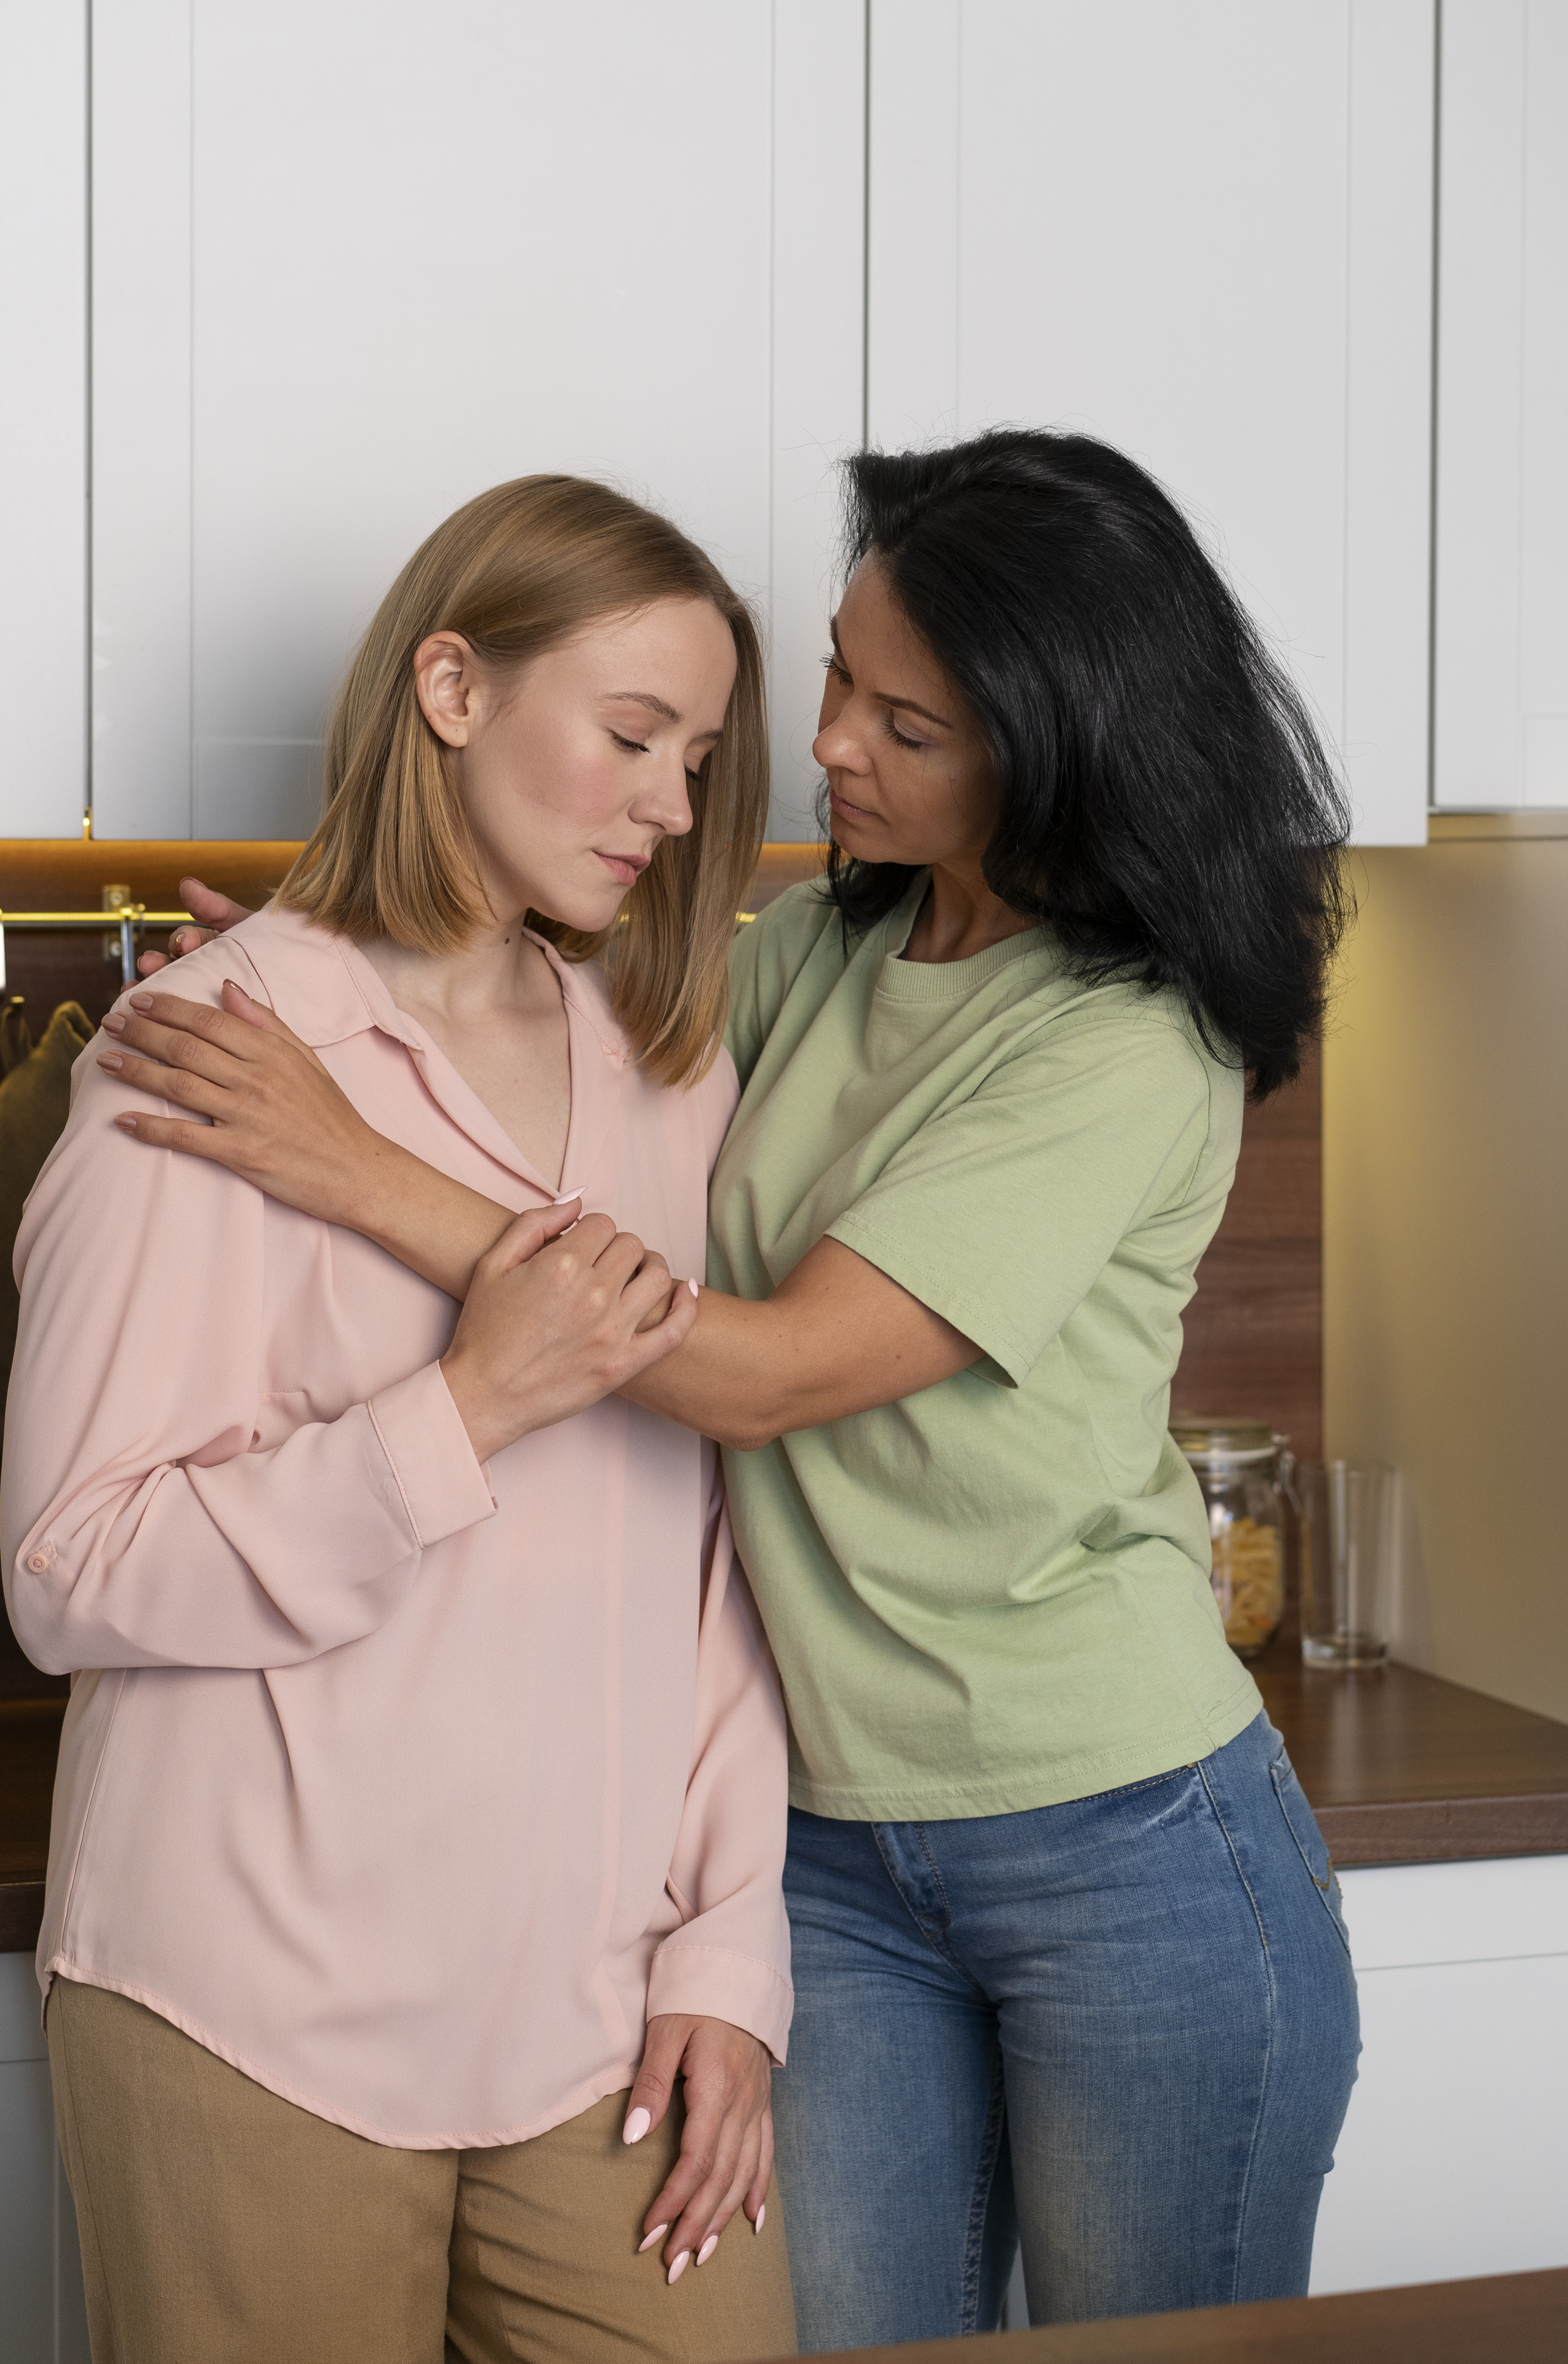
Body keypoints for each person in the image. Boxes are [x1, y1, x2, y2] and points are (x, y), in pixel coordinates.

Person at [105, 428, 1362, 2350]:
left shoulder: (1125, 1043)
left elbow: (763, 1374)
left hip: (1116, 1834)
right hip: (831, 1850)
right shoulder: (822, 956)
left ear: (1051, 748)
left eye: (902, 723)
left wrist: (346, 1150)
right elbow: (562, 1048)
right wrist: (338, 1001)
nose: (825, 747)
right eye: (843, 681)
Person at [0, 477, 802, 2364]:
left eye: (699, 757)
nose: (676, 809)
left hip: (600, 2017)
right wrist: (457, 1411)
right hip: (244, 2003)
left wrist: (729, 1956)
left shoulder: (673, 1075)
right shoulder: (201, 1061)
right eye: (631, 736)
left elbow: (713, 1558)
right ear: (451, 684)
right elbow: (71, 1564)